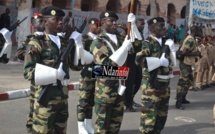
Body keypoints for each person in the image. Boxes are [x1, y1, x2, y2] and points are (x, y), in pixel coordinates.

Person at [23, 6, 94, 134]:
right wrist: (54, 74)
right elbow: (28, 72)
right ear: (45, 22)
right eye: (55, 19)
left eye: (61, 19)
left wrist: (78, 45)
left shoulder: (65, 42)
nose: (60, 22)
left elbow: (76, 66)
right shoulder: (36, 43)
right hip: (46, 99)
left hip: (62, 98)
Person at [90, 11, 140, 133]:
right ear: (102, 23)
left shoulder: (121, 38)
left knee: (115, 125)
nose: (114, 23)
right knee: (102, 127)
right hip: (105, 92)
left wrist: (133, 27)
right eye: (110, 21)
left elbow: (138, 47)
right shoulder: (98, 42)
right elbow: (103, 68)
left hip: (120, 89)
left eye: (115, 21)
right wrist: (122, 70)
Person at [135, 17, 177, 134]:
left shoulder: (166, 42)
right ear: (151, 28)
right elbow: (138, 60)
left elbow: (173, 62)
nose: (164, 28)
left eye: (164, 25)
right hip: (151, 87)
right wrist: (158, 61)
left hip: (165, 85)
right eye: (160, 26)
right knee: (148, 119)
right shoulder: (147, 43)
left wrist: (172, 49)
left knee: (161, 117)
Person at [76, 18, 101, 134]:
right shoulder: (85, 39)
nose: (95, 27)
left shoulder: (100, 39)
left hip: (97, 72)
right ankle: (80, 125)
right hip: (86, 72)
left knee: (91, 100)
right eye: (93, 25)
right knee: (83, 99)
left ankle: (88, 123)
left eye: (97, 25)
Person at [175, 25, 201, 110]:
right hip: (185, 63)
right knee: (182, 82)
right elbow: (183, 53)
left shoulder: (192, 38)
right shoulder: (190, 39)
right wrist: (195, 54)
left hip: (189, 63)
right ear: (196, 31)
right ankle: (178, 102)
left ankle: (183, 98)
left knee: (189, 81)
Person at [124, 18, 145, 112]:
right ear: (136, 24)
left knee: (138, 82)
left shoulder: (140, 34)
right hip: (130, 61)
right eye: (141, 24)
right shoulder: (131, 33)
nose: (143, 25)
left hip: (138, 62)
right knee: (130, 83)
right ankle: (128, 103)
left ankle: (130, 99)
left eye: (144, 24)